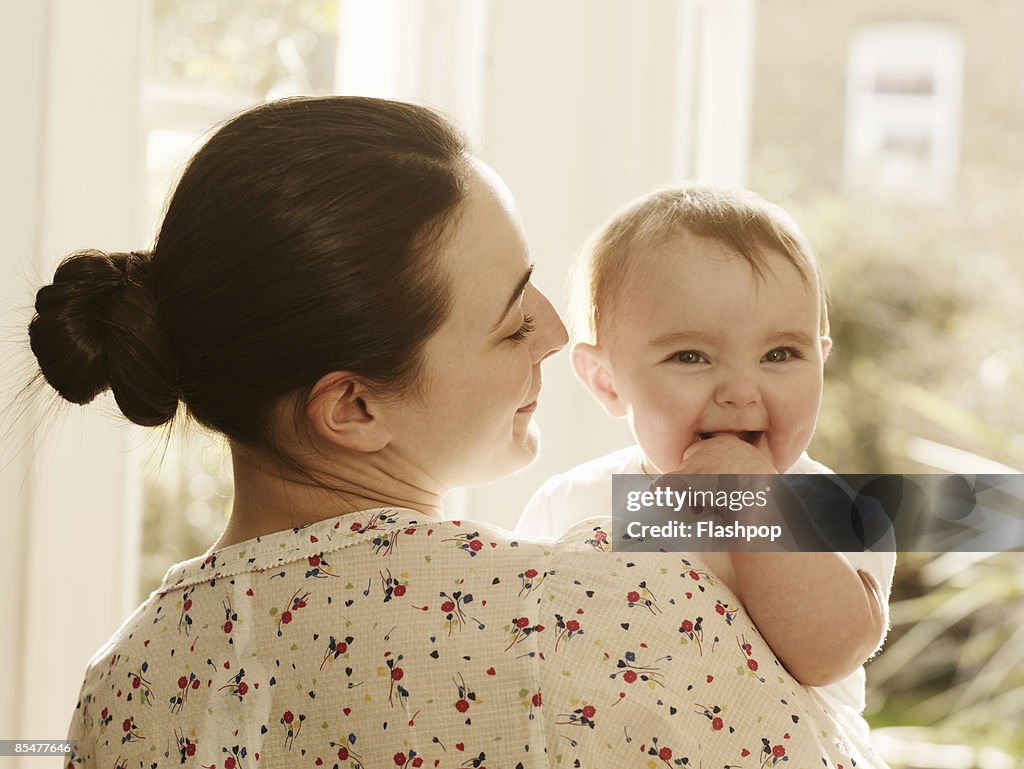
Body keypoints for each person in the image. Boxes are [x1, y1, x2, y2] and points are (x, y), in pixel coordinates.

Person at [32, 97, 889, 768]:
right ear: (354, 407)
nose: (557, 335)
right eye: (514, 321)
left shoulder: (125, 684)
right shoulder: (613, 609)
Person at [516, 184, 895, 743]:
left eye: (780, 354)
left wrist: (753, 500)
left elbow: (827, 653)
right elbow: (520, 653)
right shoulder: (572, 504)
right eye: (690, 356)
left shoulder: (842, 507)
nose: (741, 390)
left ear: (822, 361)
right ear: (606, 379)